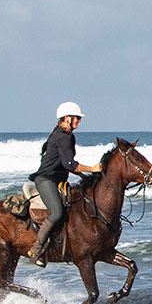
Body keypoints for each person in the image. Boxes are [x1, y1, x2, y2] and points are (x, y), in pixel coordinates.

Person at [30, 101, 99, 266]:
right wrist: (93, 168)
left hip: (58, 181)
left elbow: (66, 164)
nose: (79, 121)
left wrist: (86, 175)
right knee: (57, 213)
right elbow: (69, 165)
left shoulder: (67, 136)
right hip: (47, 180)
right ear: (67, 118)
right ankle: (36, 249)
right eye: (77, 118)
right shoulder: (63, 136)